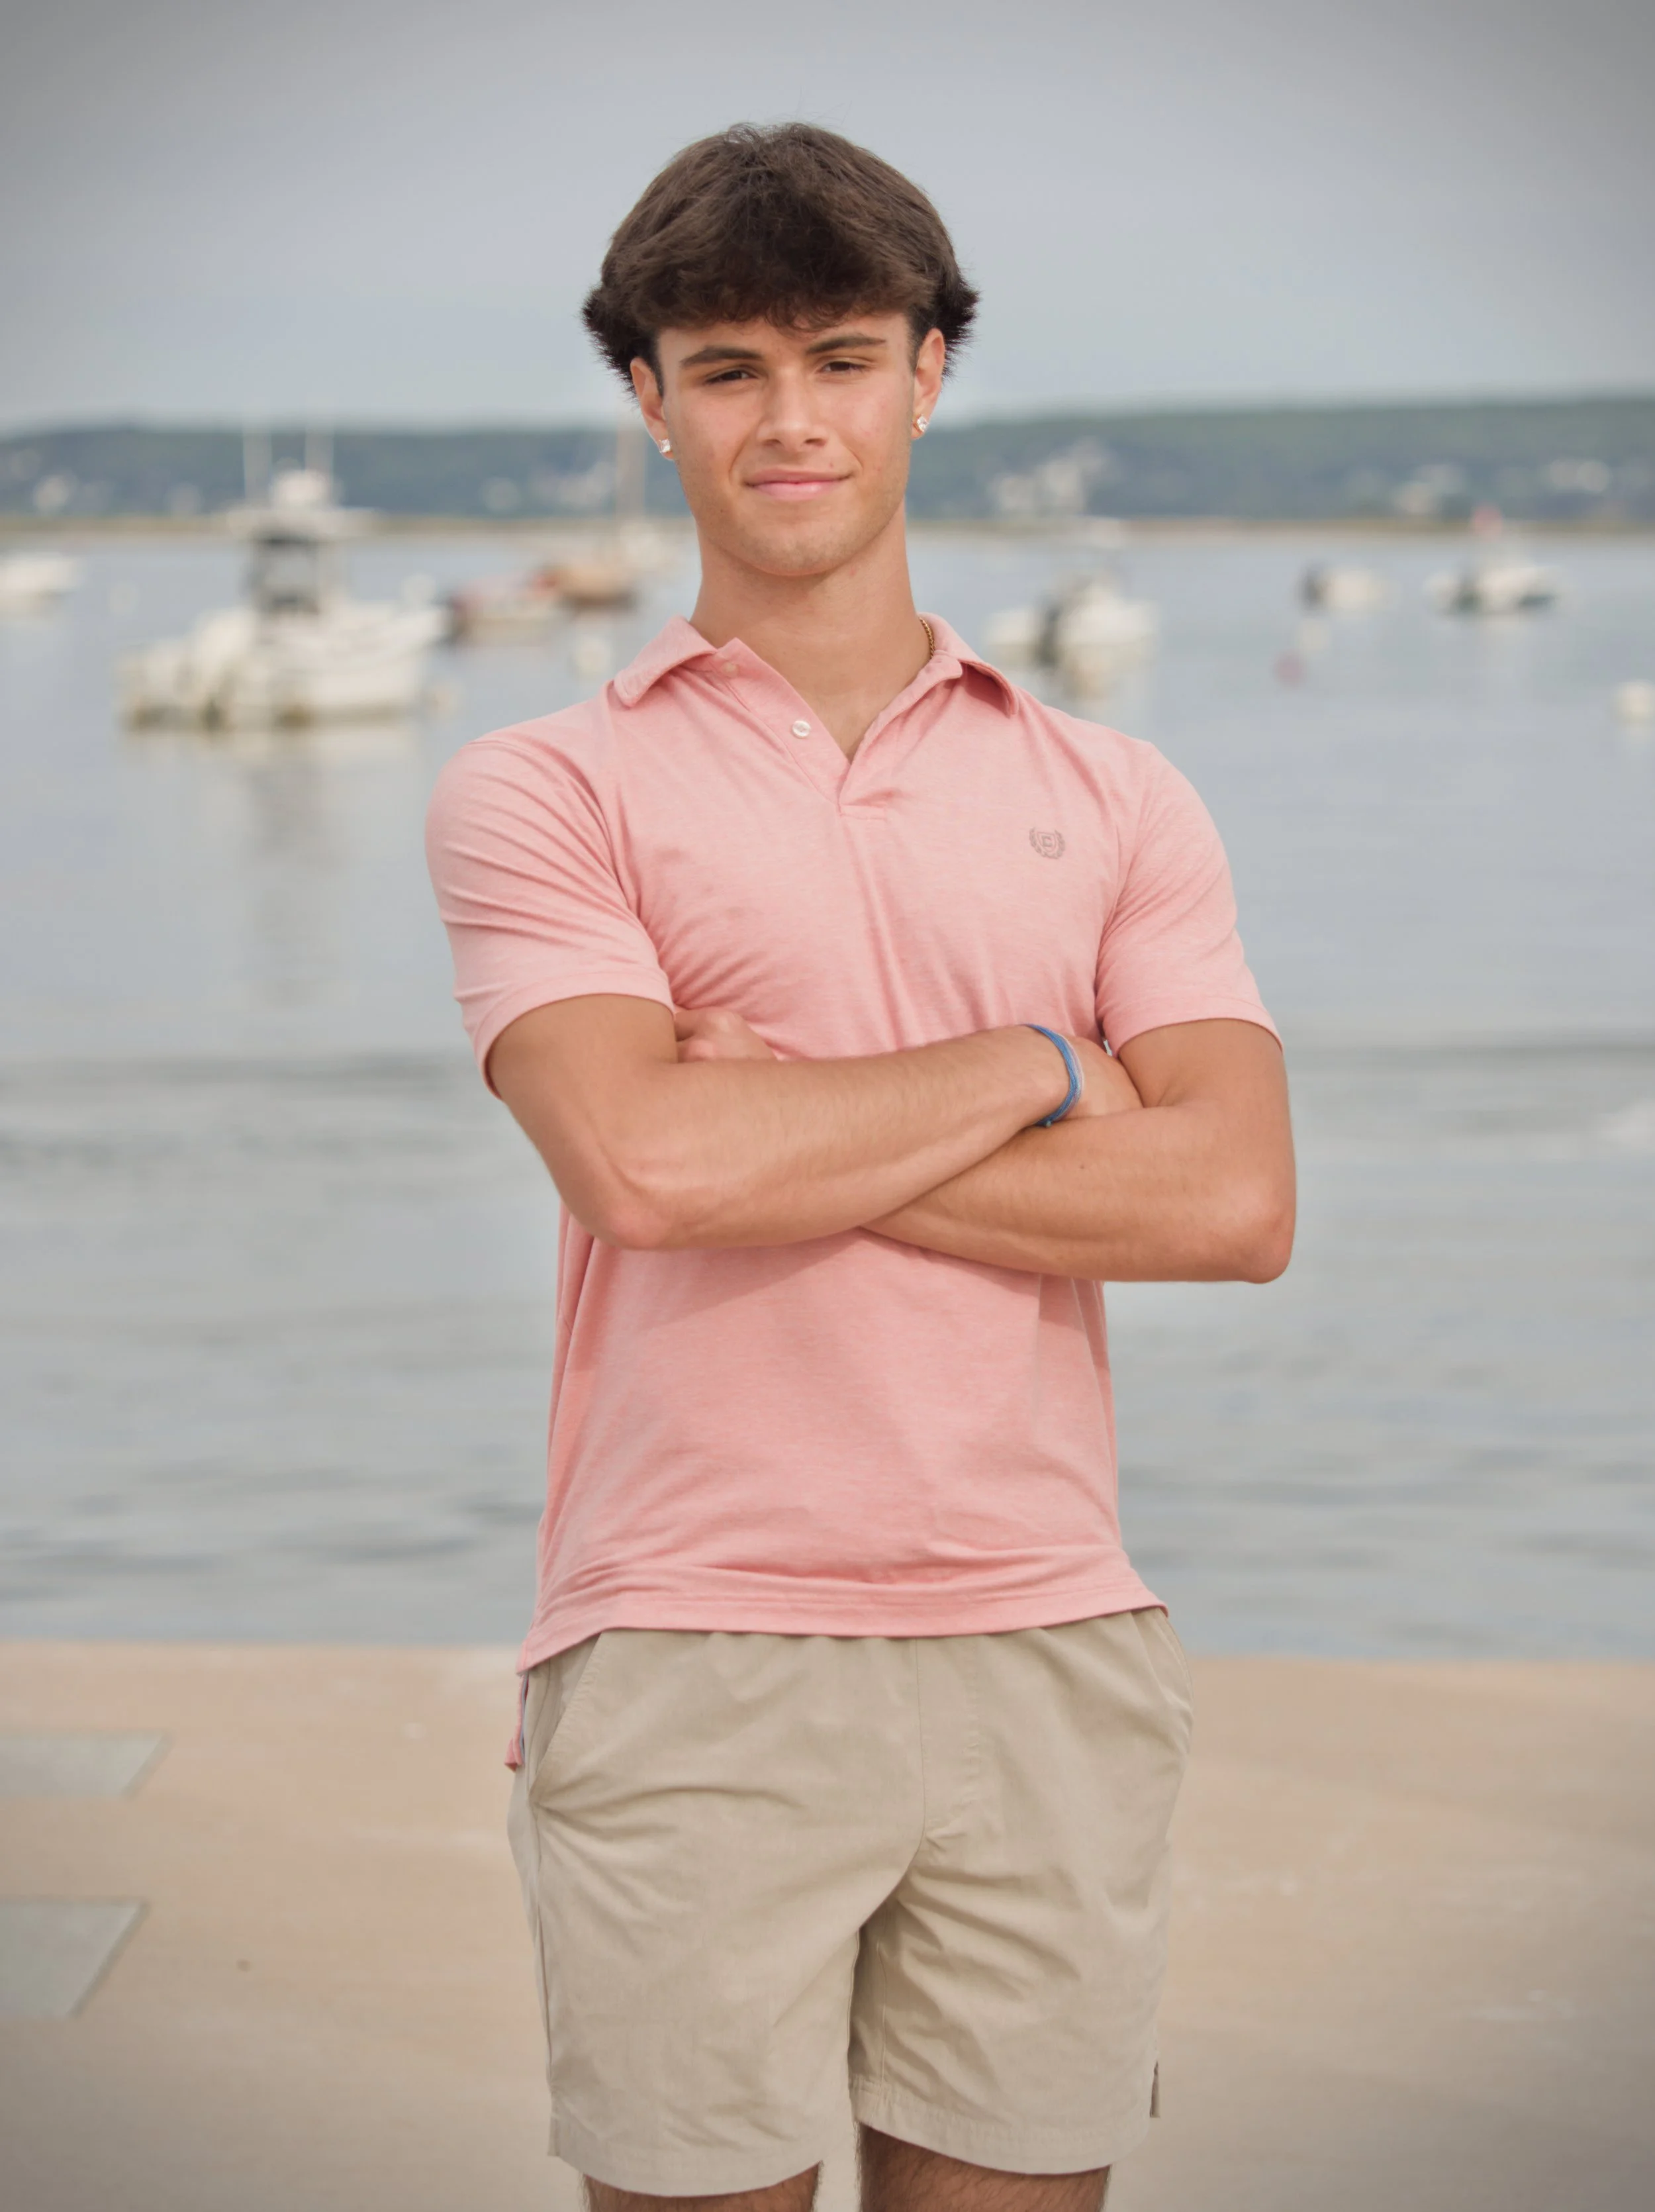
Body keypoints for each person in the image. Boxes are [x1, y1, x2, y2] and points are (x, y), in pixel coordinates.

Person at [426, 121, 1294, 2212]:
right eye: (724, 368)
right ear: (646, 399)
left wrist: (786, 1124)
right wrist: (1029, 1064)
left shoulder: (1114, 788)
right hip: (689, 1632)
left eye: (839, 354)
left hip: (1049, 1635)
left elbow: (1233, 1205)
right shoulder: (542, 785)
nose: (787, 416)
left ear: (928, 371)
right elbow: (638, 1162)